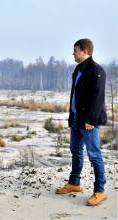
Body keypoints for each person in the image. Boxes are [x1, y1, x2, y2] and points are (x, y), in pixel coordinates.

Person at [56, 39, 107, 206]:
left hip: (88, 121)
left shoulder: (96, 70)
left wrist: (91, 120)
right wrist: (72, 117)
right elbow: (75, 96)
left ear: (85, 51)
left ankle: (100, 191)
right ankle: (74, 183)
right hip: (77, 119)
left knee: (94, 155)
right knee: (76, 151)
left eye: (75, 50)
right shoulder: (78, 69)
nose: (73, 53)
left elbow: (98, 98)